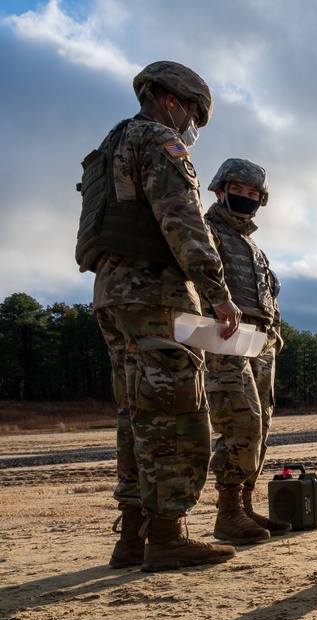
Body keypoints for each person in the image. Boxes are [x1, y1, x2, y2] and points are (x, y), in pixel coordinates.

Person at [75, 61, 241, 572]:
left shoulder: (110, 147)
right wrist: (218, 294)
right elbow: (184, 222)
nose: (193, 124)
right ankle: (167, 537)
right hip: (158, 295)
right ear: (172, 100)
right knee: (175, 411)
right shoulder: (158, 142)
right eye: (194, 112)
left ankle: (133, 538)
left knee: (136, 416)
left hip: (113, 295)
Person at [202, 158, 292, 544]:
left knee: (262, 426)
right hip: (223, 338)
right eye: (237, 190)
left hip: (260, 341)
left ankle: (246, 505)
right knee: (242, 422)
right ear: (219, 190)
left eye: (253, 194)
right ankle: (228, 513)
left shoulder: (251, 245)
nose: (245, 199)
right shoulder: (205, 231)